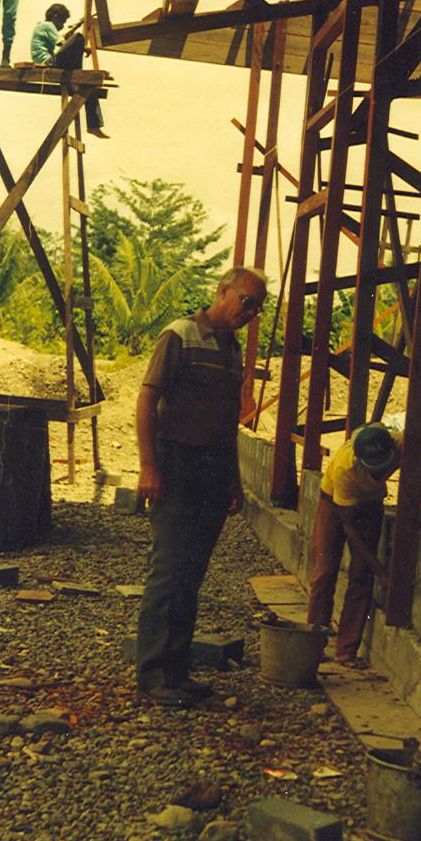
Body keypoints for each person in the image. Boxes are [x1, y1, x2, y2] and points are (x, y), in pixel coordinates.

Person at [135, 266, 268, 708]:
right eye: (245, 300)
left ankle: (177, 672)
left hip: (213, 472)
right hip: (176, 465)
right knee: (169, 572)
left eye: (257, 307)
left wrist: (233, 479)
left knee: (191, 577)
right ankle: (154, 677)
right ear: (222, 290)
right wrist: (149, 466)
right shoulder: (181, 335)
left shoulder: (232, 352)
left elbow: (229, 423)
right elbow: (146, 399)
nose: (249, 311)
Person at [307, 422, 402, 668]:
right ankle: (312, 645)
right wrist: (382, 570)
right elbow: (350, 528)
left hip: (371, 503)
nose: (380, 474)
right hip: (335, 503)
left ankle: (346, 651)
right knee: (325, 571)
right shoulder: (344, 468)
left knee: (361, 576)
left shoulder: (399, 443)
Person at [30, 4, 109, 139]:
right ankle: (78, 74)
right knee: (78, 38)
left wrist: (79, 23)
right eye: (62, 22)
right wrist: (84, 48)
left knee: (87, 86)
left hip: (51, 62)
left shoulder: (45, 27)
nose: (62, 26)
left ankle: (94, 125)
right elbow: (63, 43)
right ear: (55, 17)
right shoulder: (47, 26)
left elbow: (65, 38)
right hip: (48, 63)